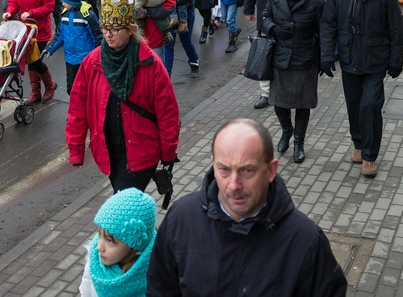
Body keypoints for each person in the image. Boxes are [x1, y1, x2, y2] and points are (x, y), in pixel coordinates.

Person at [147, 118, 347, 296]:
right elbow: (161, 288)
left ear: (271, 170)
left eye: (247, 170)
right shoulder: (181, 219)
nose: (234, 185)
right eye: (224, 169)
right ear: (214, 165)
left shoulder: (307, 242)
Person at [66, 0, 179, 192]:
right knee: (130, 215)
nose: (108, 34)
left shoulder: (150, 63)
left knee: (121, 213)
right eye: (105, 28)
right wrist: (76, 149)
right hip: (109, 153)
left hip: (141, 152)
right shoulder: (93, 62)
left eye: (115, 28)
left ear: (130, 29)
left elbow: (167, 111)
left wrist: (168, 151)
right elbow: (77, 108)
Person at [320, 0, 403, 179]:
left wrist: (396, 58)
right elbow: (328, 24)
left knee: (370, 106)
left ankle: (369, 155)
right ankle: (358, 142)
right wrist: (327, 55)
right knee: (354, 105)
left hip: (376, 58)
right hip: (349, 58)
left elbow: (395, 28)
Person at [262, 0, 325, 164]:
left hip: (306, 59)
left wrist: (325, 58)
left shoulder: (317, 1)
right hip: (281, 57)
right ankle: (286, 131)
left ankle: (299, 142)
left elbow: (324, 31)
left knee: (302, 104)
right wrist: (273, 28)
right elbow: (265, 17)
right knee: (279, 102)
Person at [79, 188, 157, 297]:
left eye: (109, 240)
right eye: (99, 235)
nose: (99, 247)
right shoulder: (93, 265)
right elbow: (85, 292)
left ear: (134, 247)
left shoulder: (153, 277)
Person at [3, 0, 58, 104]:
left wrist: (32, 13)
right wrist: (9, 12)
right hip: (24, 30)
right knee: (28, 60)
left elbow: (49, 7)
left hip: (40, 30)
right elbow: (13, 2)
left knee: (36, 60)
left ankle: (50, 85)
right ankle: (35, 93)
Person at [45, 0, 102, 95]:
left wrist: (98, 56)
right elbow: (60, 35)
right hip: (70, 59)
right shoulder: (64, 14)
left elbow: (97, 37)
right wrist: (50, 48)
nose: (62, 4)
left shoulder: (87, 15)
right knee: (71, 89)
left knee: (87, 88)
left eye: (64, 1)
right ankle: (76, 110)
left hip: (85, 59)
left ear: (72, 2)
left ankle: (87, 109)